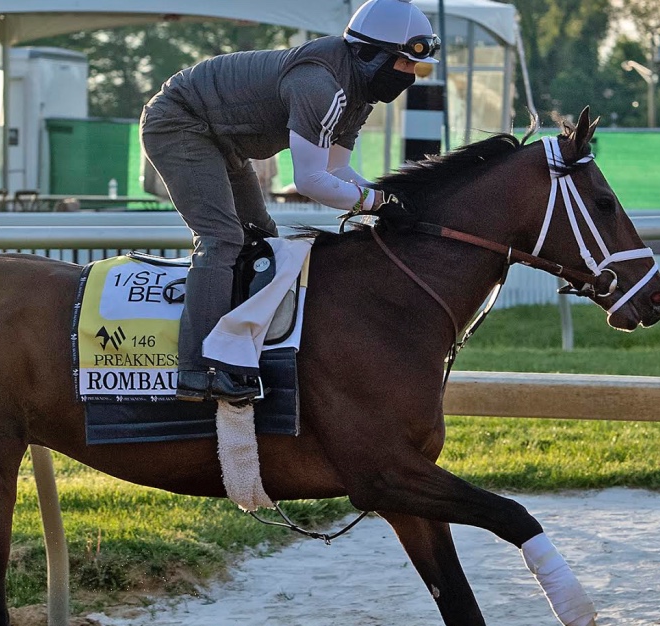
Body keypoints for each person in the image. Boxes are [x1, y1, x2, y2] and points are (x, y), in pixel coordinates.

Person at [140, 0, 440, 403]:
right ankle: (197, 370)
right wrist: (375, 202)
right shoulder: (321, 85)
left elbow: (338, 172)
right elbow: (311, 181)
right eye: (403, 64)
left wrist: (386, 197)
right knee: (222, 239)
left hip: (221, 137)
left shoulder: (357, 94)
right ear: (369, 54)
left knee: (263, 238)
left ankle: (242, 350)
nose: (410, 76)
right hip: (181, 122)